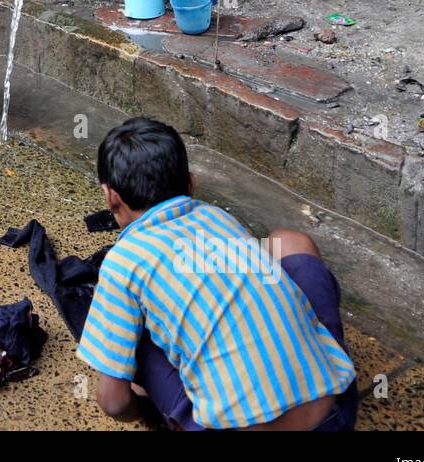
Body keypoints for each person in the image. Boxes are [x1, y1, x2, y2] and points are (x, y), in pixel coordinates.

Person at [77, 117, 359, 431]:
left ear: (111, 196)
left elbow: (113, 403)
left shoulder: (122, 262)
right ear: (191, 183)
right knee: (288, 242)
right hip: (336, 414)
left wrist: (146, 406)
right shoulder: (215, 217)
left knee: (130, 335)